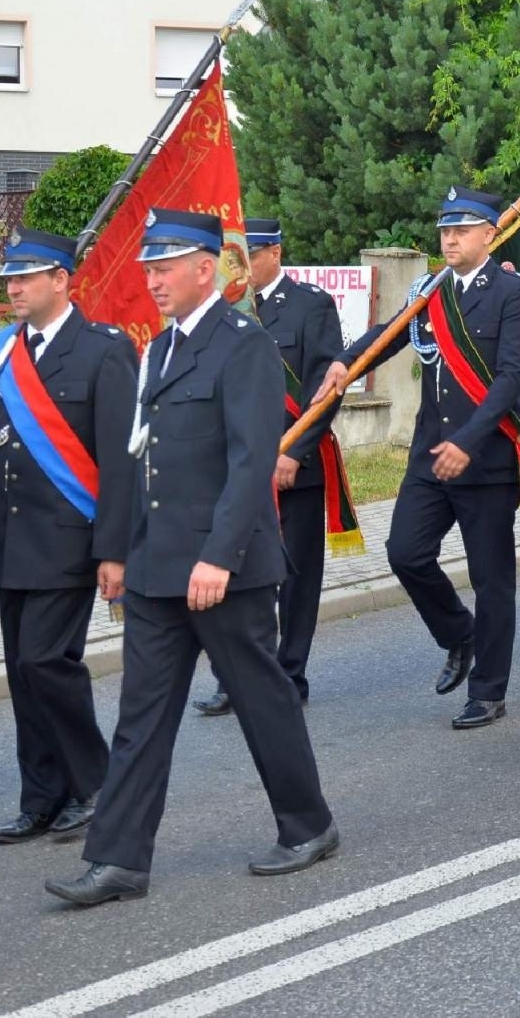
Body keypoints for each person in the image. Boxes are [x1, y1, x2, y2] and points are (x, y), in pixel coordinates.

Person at [44, 209, 337, 906]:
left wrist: (219, 556)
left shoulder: (244, 345)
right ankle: (117, 858)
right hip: (157, 567)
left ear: (205, 268)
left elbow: (249, 463)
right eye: (148, 267)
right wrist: (116, 553)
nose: (153, 279)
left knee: (262, 699)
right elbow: (140, 461)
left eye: (164, 266)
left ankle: (308, 822)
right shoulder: (159, 349)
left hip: (222, 568)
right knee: (141, 715)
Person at [0, 227, 134, 843]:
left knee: (47, 661)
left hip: (71, 538)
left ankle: (95, 783)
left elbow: (122, 463)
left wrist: (116, 551)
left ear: (61, 280)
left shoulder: (103, 350)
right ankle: (41, 795)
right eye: (8, 278)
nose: (11, 288)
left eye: (25, 277)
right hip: (9, 541)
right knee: (22, 669)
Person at [315, 187, 520, 728]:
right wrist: (347, 362)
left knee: (491, 579)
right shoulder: (431, 290)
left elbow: (512, 378)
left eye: (462, 230)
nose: (450, 239)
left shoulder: (514, 293)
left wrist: (469, 441)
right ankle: (459, 636)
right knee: (404, 553)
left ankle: (488, 690)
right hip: (428, 454)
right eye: (445, 230)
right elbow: (390, 334)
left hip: (484, 460)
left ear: (490, 234)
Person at [193, 217, 346, 716]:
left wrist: (293, 452)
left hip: (291, 467)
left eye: (248, 256)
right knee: (235, 575)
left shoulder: (309, 306)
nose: (239, 267)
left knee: (296, 579)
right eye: (232, 258)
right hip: (237, 471)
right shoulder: (225, 311)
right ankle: (236, 677)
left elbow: (326, 388)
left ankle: (288, 675)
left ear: (274, 253)